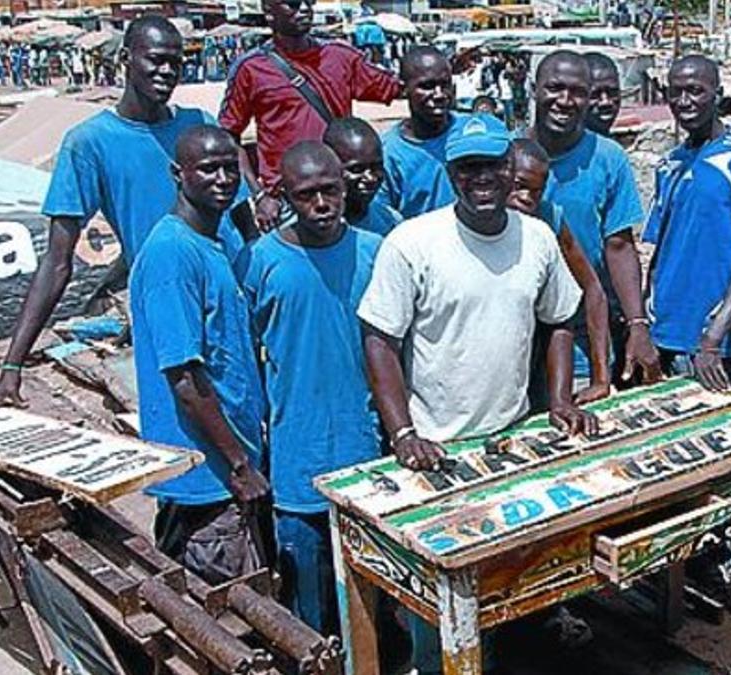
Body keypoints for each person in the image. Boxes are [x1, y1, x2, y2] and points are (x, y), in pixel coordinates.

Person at [358, 114, 595, 674]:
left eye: (491, 165)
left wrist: (560, 399)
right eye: (467, 168)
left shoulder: (536, 237)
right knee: (440, 613)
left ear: (510, 166)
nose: (481, 178)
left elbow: (561, 317)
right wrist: (404, 434)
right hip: (435, 453)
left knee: (511, 591)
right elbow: (379, 339)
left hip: (510, 445)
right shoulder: (412, 244)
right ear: (451, 173)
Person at [0, 16, 254, 413]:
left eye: (176, 61)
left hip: (232, 299)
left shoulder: (199, 127)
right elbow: (57, 261)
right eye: (155, 59)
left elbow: (246, 228)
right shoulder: (90, 144)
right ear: (125, 59)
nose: (167, 71)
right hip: (172, 307)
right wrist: (12, 366)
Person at [238, 141, 382, 633]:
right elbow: (248, 357)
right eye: (306, 196)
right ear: (285, 196)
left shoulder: (374, 253)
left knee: (373, 599)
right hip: (296, 458)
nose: (320, 205)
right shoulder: (261, 261)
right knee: (308, 601)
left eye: (329, 191)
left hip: (367, 452)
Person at [129, 125, 270, 583]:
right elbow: (186, 379)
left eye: (231, 168)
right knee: (238, 614)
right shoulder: (172, 254)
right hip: (209, 479)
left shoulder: (213, 242)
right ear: (178, 173)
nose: (224, 179)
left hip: (224, 468)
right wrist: (239, 465)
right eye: (209, 169)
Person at [524, 50, 661, 390]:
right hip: (514, 328)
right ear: (533, 89)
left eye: (577, 92)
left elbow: (618, 245)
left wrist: (638, 323)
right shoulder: (507, 154)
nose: (565, 100)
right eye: (554, 88)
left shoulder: (608, 158)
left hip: (582, 332)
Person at [643, 56, 731, 392]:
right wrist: (644, 324)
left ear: (717, 95)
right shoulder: (668, 164)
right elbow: (660, 253)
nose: (684, 102)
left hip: (711, 337)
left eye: (695, 91)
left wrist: (713, 337)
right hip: (665, 330)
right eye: (676, 92)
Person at [219, 0, 401, 229]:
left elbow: (395, 88)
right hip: (287, 203)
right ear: (268, 10)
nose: (304, 9)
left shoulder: (341, 56)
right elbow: (227, 137)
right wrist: (259, 195)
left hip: (343, 197)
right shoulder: (250, 68)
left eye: (309, 2)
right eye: (293, 4)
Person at [509, 138, 611, 405]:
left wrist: (601, 378)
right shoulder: (478, 222)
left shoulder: (549, 219)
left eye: (536, 191)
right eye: (519, 186)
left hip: (550, 361)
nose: (526, 199)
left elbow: (593, 289)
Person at [380, 47, 469, 219]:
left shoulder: (472, 133)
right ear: (404, 89)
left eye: (445, 85)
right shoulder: (388, 153)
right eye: (427, 86)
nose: (439, 95)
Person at [322, 117, 402, 236]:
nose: (371, 178)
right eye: (356, 169)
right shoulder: (306, 234)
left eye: (376, 167)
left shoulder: (390, 223)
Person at [584, 52, 622, 136]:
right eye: (594, 95)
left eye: (612, 93)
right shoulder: (560, 146)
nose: (605, 102)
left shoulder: (612, 148)